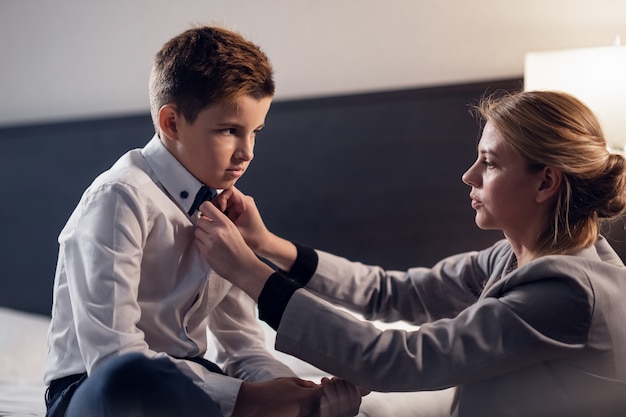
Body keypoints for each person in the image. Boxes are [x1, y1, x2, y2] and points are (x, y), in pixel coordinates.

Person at [195, 90, 626, 417]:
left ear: (545, 182)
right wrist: (268, 245)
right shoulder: (515, 258)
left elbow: (398, 360)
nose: (468, 175)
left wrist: (250, 273)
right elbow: (392, 294)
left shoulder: (567, 291)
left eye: (490, 163)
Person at [44, 25, 364, 417]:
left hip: (189, 381)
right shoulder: (120, 197)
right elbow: (113, 358)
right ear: (172, 124)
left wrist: (291, 391)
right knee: (135, 380)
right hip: (97, 388)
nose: (247, 153)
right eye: (230, 131)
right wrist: (250, 399)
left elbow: (243, 346)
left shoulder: (224, 212)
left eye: (255, 132)